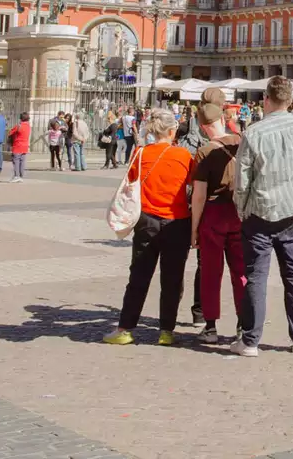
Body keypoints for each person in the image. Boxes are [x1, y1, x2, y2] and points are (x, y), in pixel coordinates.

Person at [232, 77, 293, 357]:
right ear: (289, 100)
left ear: (266, 100)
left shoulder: (253, 133)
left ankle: (250, 341)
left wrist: (241, 209)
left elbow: (242, 178)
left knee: (256, 276)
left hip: (261, 212)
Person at [104, 111, 193, 346]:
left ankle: (125, 328)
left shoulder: (141, 153)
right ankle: (166, 331)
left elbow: (131, 181)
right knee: (173, 279)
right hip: (178, 221)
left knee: (139, 276)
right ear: (173, 131)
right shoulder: (183, 155)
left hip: (146, 220)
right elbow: (192, 185)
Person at [191, 102, 245, 345]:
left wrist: (194, 230)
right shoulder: (241, 142)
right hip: (239, 213)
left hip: (213, 213)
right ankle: (244, 323)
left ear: (203, 127)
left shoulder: (204, 151)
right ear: (223, 119)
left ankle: (210, 326)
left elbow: (199, 194)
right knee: (241, 272)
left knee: (211, 273)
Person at [8, 112, 31, 182]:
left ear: (21, 118)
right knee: (22, 161)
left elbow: (10, 133)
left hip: (17, 146)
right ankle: (21, 176)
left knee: (16, 161)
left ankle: (16, 176)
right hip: (25, 146)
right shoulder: (28, 126)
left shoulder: (19, 126)